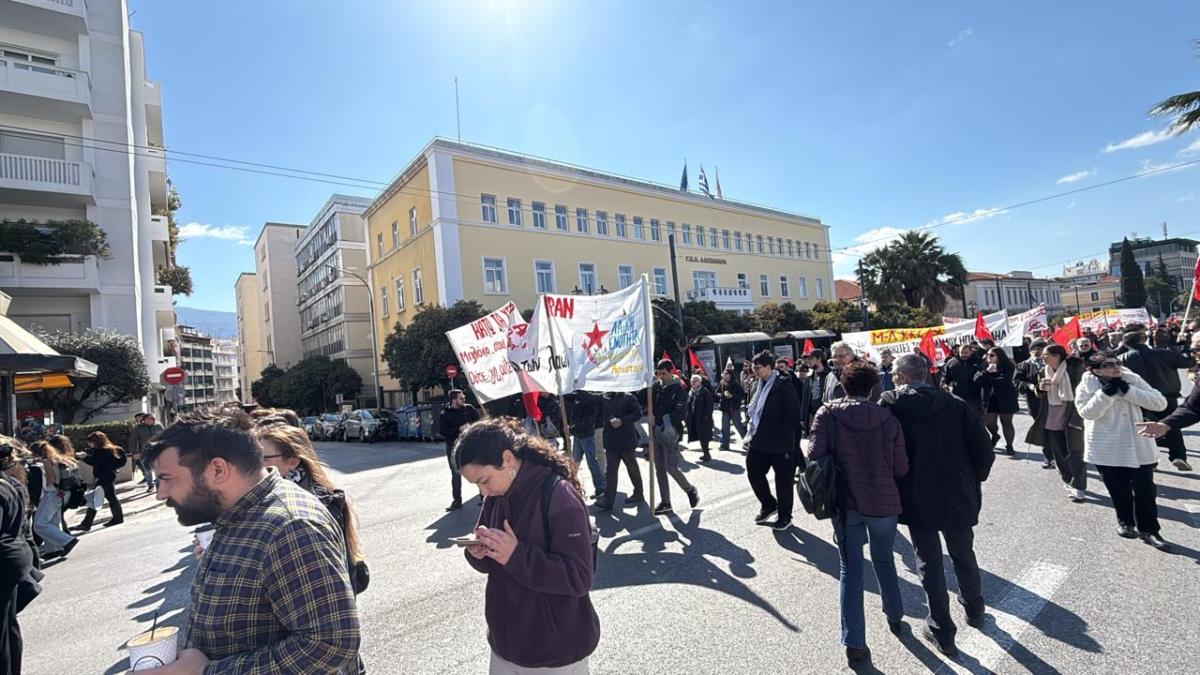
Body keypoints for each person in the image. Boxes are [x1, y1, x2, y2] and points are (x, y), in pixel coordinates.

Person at [143, 410, 361, 673]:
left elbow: (330, 645)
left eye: (166, 479)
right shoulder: (238, 512)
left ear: (217, 470)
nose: (160, 494)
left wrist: (208, 672)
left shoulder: (290, 528)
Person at [455, 418, 600, 674]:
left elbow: (579, 578)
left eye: (484, 480)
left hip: (554, 652)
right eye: (476, 484)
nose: (483, 492)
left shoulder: (559, 495)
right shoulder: (496, 496)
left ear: (508, 459)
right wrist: (479, 551)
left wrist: (516, 555)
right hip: (505, 644)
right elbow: (493, 563)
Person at [880, 354, 993, 657]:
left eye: (893, 373)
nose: (891, 378)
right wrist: (973, 478)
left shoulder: (889, 404)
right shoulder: (954, 403)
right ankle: (974, 607)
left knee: (928, 561)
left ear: (902, 376)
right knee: (962, 551)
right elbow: (983, 447)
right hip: (957, 489)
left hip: (915, 492)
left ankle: (942, 628)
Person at [806, 362, 908, 665]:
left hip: (846, 502)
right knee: (884, 558)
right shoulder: (889, 419)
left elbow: (814, 455)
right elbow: (901, 467)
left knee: (850, 569)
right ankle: (895, 614)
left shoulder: (827, 413)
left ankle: (854, 642)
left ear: (843, 385)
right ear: (874, 387)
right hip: (884, 501)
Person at [255, 423, 369, 595]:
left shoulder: (315, 505)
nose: (257, 465)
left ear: (292, 462)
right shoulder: (267, 497)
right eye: (255, 457)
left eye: (265, 459)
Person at [1075, 352, 1171, 550]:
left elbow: (1160, 403)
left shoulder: (1131, 378)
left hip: (1137, 444)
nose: (1116, 367)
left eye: (1117, 363)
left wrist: (1129, 391)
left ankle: (1150, 530)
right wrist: (1105, 394)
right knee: (1119, 490)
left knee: (1145, 490)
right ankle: (1126, 522)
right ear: (1097, 369)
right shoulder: (1087, 383)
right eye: (1109, 365)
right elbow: (1087, 413)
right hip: (1107, 445)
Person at [1117, 329, 1195, 472]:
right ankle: (1178, 456)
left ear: (1126, 344)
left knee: (1146, 429)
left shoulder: (1122, 358)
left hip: (1140, 398)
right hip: (1167, 395)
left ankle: (1151, 460)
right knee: (1171, 424)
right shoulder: (1162, 353)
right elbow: (1187, 362)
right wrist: (1184, 348)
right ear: (1143, 339)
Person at [743, 350, 802, 531]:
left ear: (769, 367)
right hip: (758, 439)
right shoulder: (756, 384)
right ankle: (769, 504)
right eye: (754, 368)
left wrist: (780, 434)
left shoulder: (784, 386)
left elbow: (793, 417)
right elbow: (752, 409)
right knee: (753, 471)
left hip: (780, 442)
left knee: (783, 480)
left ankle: (785, 516)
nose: (755, 371)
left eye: (758, 368)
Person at [1026, 344, 1088, 500]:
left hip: (1072, 415)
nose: (1042, 357)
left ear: (1056, 356)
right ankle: (1067, 480)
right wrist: (1039, 388)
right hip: (1051, 417)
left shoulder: (1074, 370)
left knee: (1076, 453)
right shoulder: (1043, 371)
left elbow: (1084, 391)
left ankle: (1079, 487)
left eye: (1045, 354)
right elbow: (1040, 395)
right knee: (1059, 454)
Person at [650, 360, 699, 515]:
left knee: (670, 467)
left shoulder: (679, 390)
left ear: (671, 372)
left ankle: (690, 490)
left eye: (663, 373)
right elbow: (644, 401)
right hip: (655, 432)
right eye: (658, 373)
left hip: (671, 433)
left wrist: (662, 420)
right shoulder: (656, 387)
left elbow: (680, 413)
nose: (661, 376)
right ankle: (666, 502)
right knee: (659, 469)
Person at [28, 440, 79, 560]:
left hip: (50, 494)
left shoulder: (46, 462)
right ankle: (54, 549)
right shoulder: (56, 459)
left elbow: (51, 479)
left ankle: (67, 541)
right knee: (52, 523)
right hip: (59, 494)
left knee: (39, 524)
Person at [597, 391, 645, 511]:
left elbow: (638, 414)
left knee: (632, 468)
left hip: (626, 441)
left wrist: (622, 421)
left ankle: (638, 493)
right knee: (611, 472)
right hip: (611, 441)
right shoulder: (604, 398)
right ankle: (608, 501)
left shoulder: (628, 397)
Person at [73, 431, 127, 531]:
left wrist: (85, 457)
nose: (89, 444)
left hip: (103, 477)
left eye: (90, 442)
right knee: (111, 497)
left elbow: (95, 462)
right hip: (109, 475)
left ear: (95, 442)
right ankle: (118, 518)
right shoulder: (112, 449)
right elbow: (122, 460)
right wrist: (115, 467)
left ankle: (86, 523)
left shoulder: (102, 451)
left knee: (95, 499)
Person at [438, 389, 481, 511]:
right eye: (461, 398)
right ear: (454, 400)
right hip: (453, 446)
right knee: (456, 473)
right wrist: (459, 429)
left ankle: (484, 496)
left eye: (464, 398)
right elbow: (443, 432)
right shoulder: (445, 413)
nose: (464, 400)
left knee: (477, 469)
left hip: (469, 445)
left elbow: (479, 422)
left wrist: (471, 427)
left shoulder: (469, 408)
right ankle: (457, 501)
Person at [975, 347, 1019, 455]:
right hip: (990, 398)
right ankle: (995, 435)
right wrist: (986, 372)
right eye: (988, 355)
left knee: (1007, 422)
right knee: (989, 422)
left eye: (992, 355)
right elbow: (976, 379)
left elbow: (1004, 380)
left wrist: (991, 376)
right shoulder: (984, 365)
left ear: (999, 356)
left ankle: (1009, 445)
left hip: (1005, 398)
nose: (988, 358)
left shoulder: (1008, 365)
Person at [567, 391, 607, 497]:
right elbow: (567, 397)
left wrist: (572, 428)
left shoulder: (591, 400)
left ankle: (601, 487)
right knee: (574, 462)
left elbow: (588, 421)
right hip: (578, 436)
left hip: (587, 436)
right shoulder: (577, 397)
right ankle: (570, 485)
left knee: (592, 462)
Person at [942, 344, 985, 414]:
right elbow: (944, 377)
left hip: (975, 398)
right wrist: (944, 385)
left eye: (966, 353)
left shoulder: (979, 362)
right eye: (961, 353)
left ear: (971, 352)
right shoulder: (951, 363)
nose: (964, 355)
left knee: (977, 420)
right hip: (958, 397)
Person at [128, 413, 164, 491]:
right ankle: (150, 485)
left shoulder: (158, 426)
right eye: (147, 419)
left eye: (151, 419)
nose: (149, 420)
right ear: (143, 420)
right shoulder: (138, 428)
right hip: (144, 452)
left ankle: (159, 486)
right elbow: (133, 441)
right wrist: (135, 452)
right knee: (147, 470)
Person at [800, 349, 832, 434]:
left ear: (819, 359)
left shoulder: (831, 375)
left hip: (827, 415)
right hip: (812, 416)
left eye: (811, 358)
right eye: (807, 359)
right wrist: (803, 417)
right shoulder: (809, 378)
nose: (808, 361)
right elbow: (805, 398)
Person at [1014, 339, 1047, 421]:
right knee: (1037, 419)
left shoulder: (1050, 363)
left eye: (1039, 349)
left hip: (1049, 398)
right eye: (1033, 349)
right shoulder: (1023, 365)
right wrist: (1028, 385)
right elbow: (1016, 381)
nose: (1036, 351)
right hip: (1032, 398)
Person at [686, 374, 715, 463]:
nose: (693, 382)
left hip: (703, 418)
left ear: (700, 382)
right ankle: (705, 453)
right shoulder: (691, 392)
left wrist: (706, 416)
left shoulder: (704, 392)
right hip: (694, 417)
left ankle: (706, 454)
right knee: (699, 434)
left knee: (704, 436)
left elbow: (709, 405)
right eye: (692, 381)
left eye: (695, 380)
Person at [716, 369, 747, 451]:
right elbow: (717, 392)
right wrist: (722, 395)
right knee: (725, 427)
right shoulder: (722, 383)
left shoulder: (736, 384)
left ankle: (747, 442)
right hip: (725, 408)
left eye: (727, 374)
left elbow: (742, 395)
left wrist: (732, 395)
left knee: (738, 425)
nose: (726, 376)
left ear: (731, 375)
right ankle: (724, 444)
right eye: (725, 374)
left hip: (734, 408)